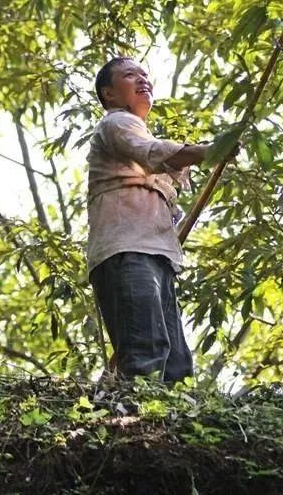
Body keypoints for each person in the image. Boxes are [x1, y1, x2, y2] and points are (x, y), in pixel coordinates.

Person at [86, 56, 211, 383]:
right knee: (146, 351)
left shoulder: (132, 130)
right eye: (130, 76)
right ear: (109, 94)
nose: (144, 81)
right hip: (127, 252)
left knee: (176, 363)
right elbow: (152, 152)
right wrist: (207, 151)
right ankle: (136, 426)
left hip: (154, 254)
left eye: (145, 75)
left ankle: (171, 427)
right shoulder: (116, 124)